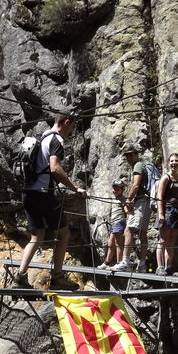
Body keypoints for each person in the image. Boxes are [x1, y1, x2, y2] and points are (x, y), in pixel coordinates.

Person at [13, 110, 90, 290]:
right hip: (43, 194)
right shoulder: (56, 140)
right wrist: (76, 188)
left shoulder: (42, 137)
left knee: (37, 235)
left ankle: (20, 277)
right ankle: (57, 277)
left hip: (28, 193)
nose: (71, 130)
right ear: (67, 122)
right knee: (64, 234)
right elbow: (55, 168)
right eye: (72, 126)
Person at [112, 144, 152, 273]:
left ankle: (125, 262)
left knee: (128, 230)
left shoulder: (138, 165)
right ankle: (142, 264)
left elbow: (135, 185)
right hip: (145, 201)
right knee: (142, 233)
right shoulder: (140, 166)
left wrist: (128, 199)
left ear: (136, 154)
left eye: (131, 154)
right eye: (127, 155)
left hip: (141, 201)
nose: (128, 157)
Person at [155, 153, 178, 276]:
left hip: (175, 212)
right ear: (168, 163)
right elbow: (159, 196)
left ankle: (168, 266)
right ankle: (160, 267)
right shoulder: (166, 178)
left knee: (172, 241)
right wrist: (161, 213)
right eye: (171, 161)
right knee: (163, 240)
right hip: (166, 211)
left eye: (176, 161)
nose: (174, 163)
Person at [97, 180, 127, 269]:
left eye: (117, 189)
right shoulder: (114, 199)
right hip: (114, 223)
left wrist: (128, 210)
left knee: (118, 243)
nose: (115, 191)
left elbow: (126, 209)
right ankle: (107, 263)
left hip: (120, 222)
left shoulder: (122, 199)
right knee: (110, 243)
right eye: (114, 189)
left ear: (122, 190)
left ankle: (119, 263)